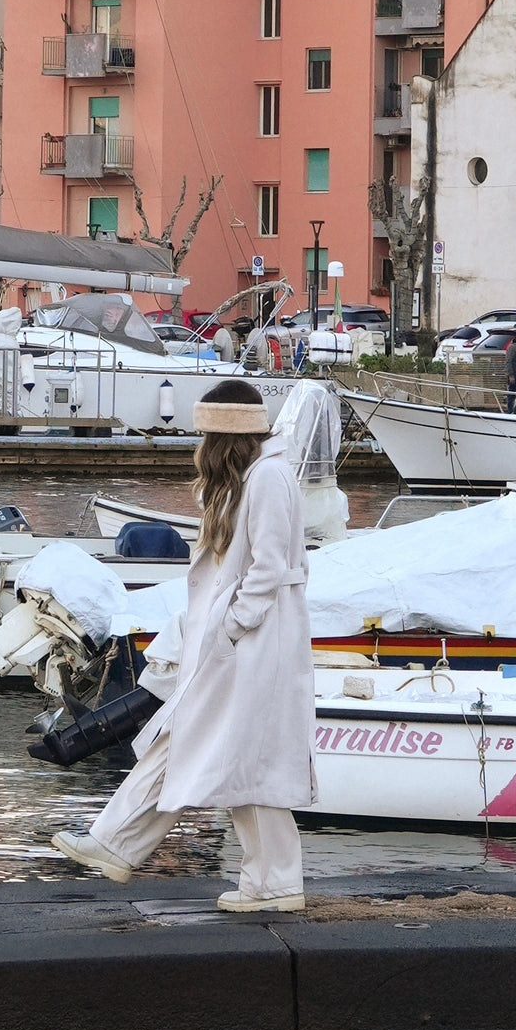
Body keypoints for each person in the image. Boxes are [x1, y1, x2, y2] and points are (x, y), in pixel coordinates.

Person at [52, 378, 316, 912]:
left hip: (254, 643)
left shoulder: (267, 477)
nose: (198, 448)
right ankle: (117, 843)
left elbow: (269, 566)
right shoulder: (259, 474)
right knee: (191, 740)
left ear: (222, 437)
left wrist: (236, 624)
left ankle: (276, 883)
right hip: (237, 642)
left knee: (246, 760)